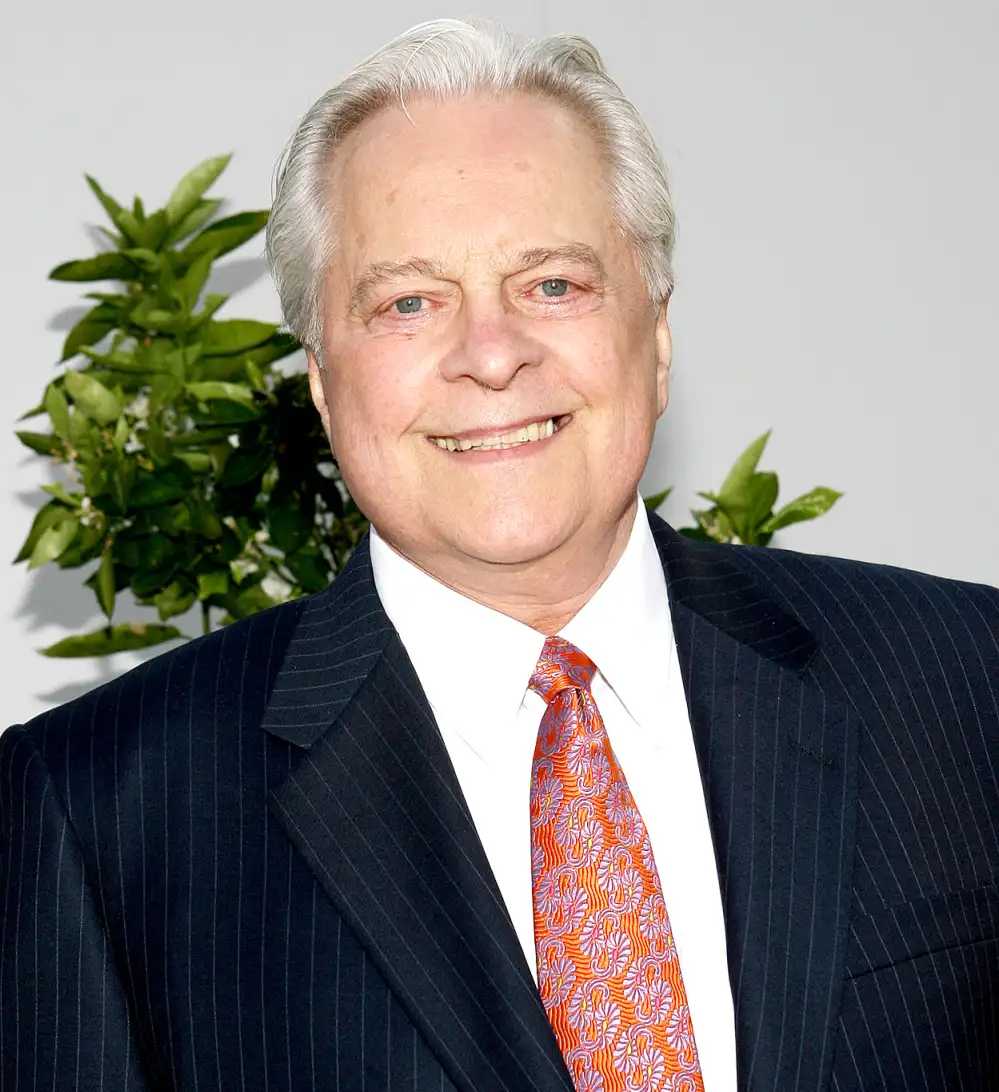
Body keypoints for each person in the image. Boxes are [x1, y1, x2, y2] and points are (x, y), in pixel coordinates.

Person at [2, 17, 997, 1092]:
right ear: (324, 383)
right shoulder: (96, 811)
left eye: (554, 284)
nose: (490, 354)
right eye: (409, 302)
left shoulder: (965, 682)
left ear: (656, 338)